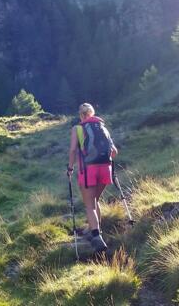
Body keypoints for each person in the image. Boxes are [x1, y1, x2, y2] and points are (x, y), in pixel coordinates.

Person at [67, 103, 118, 253]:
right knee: (95, 201)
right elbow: (114, 152)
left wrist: (70, 168)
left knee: (89, 204)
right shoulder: (103, 128)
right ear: (92, 113)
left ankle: (96, 235)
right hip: (105, 168)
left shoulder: (77, 129)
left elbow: (72, 151)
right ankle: (96, 230)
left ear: (81, 115)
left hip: (88, 170)